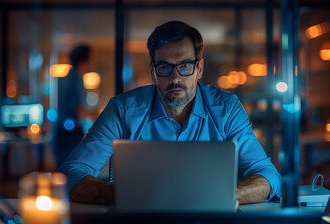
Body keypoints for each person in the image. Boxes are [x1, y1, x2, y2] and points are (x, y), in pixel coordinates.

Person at [59, 21, 281, 205]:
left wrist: (227, 196)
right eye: (164, 67)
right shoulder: (122, 110)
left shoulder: (227, 108)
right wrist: (126, 194)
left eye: (185, 66)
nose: (175, 78)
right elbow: (71, 174)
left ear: (199, 69)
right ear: (152, 71)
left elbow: (269, 176)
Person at [53, 45, 93, 167]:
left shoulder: (64, 78)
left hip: (60, 132)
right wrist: (99, 114)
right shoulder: (77, 79)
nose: (94, 62)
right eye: (92, 59)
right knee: (72, 172)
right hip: (71, 135)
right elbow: (80, 112)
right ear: (84, 61)